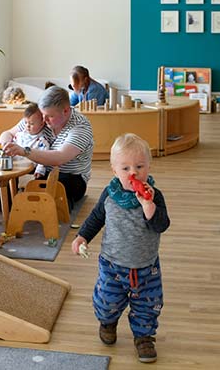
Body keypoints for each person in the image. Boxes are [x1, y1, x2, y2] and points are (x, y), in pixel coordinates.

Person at [70, 133, 170, 364]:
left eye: (139, 166)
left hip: (146, 266)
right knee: (107, 300)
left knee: (148, 305)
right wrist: (82, 236)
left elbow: (162, 225)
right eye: (125, 168)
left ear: (148, 167)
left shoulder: (155, 197)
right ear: (114, 170)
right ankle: (107, 323)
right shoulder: (110, 194)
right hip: (112, 263)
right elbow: (96, 218)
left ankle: (144, 337)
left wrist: (149, 207)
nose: (133, 173)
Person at [2, 86, 93, 214]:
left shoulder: (80, 127)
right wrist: (6, 145)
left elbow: (59, 157)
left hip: (70, 176)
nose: (44, 120)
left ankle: (44, 202)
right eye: (43, 114)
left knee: (53, 189)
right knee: (5, 174)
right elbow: (7, 133)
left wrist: (24, 151)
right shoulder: (40, 116)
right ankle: (1, 200)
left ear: (66, 111)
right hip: (39, 167)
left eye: (50, 116)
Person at [0, 103, 53, 210]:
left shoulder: (42, 140)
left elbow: (44, 157)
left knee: (12, 176)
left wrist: (40, 170)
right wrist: (5, 147)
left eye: (31, 124)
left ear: (42, 124)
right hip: (17, 162)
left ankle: (5, 201)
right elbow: (10, 139)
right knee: (3, 171)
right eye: (26, 123)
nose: (27, 126)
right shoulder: (21, 134)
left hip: (31, 166)